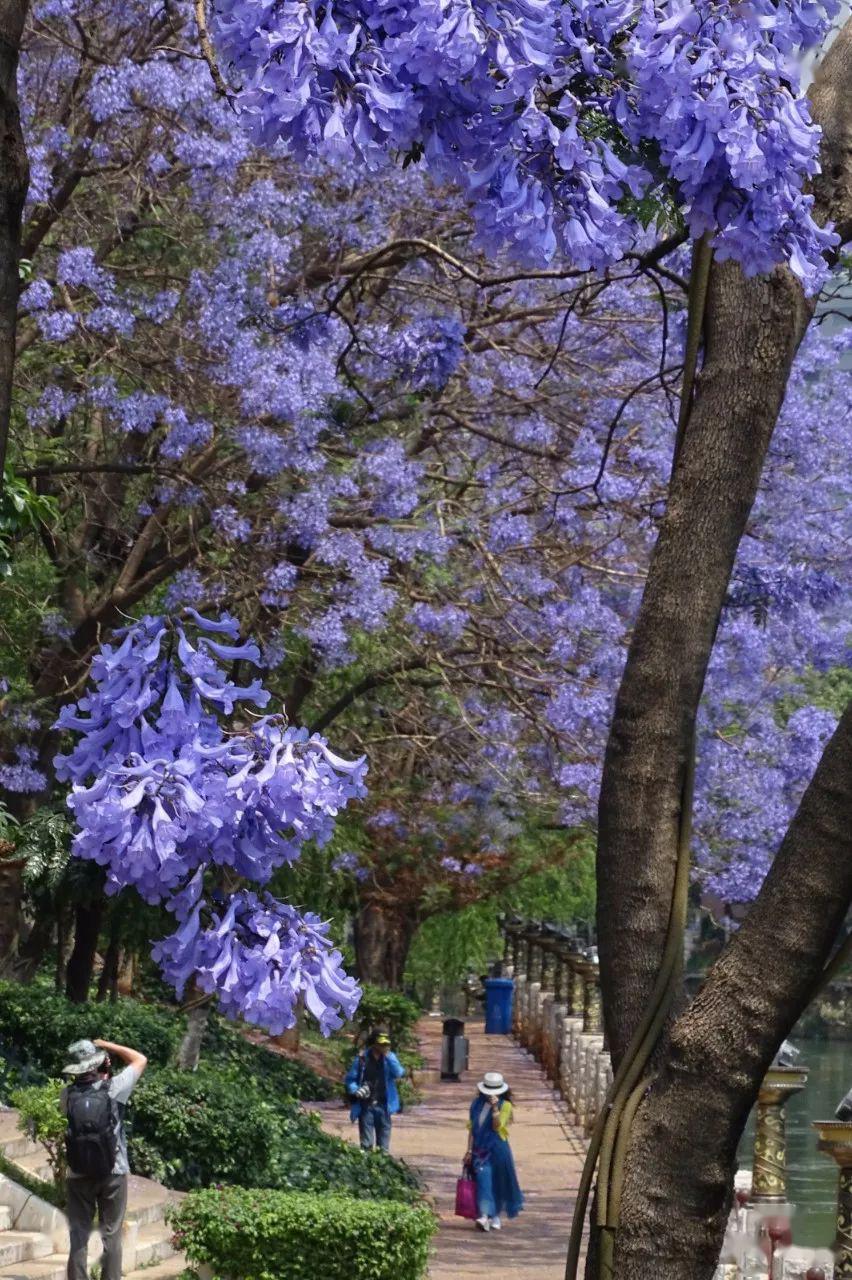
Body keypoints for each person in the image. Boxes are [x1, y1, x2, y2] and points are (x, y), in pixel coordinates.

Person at [61, 1037, 148, 1280]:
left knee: (79, 1232)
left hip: (78, 1173)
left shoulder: (66, 1094)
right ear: (98, 1063)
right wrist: (109, 1046)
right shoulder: (114, 1088)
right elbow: (141, 1059)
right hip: (113, 1171)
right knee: (111, 1233)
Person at [464, 1070, 524, 1232]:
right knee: (484, 1179)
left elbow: (497, 1127)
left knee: (498, 1182)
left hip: (498, 1149)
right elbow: (472, 1128)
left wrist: (495, 1109)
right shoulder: (476, 1104)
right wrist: (469, 1150)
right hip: (480, 1150)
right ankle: (484, 1214)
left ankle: (495, 1214)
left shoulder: (505, 1106)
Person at [345, 1028, 405, 1153]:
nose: (384, 1046)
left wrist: (388, 1056)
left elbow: (399, 1073)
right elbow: (350, 1080)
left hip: (384, 1107)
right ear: (374, 1043)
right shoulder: (362, 1059)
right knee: (366, 1145)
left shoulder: (390, 1058)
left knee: (383, 1148)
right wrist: (356, 1090)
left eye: (386, 1044)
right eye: (381, 1044)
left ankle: (381, 1170)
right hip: (366, 1107)